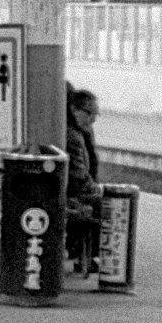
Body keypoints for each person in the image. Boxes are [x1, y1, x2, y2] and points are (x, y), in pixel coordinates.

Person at [66, 86, 102, 271]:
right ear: (74, 109)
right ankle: (89, 257)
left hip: (71, 192)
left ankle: (82, 255)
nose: (93, 119)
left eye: (96, 114)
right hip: (70, 194)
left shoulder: (78, 131)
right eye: (89, 113)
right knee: (105, 205)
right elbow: (78, 176)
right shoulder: (72, 136)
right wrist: (97, 190)